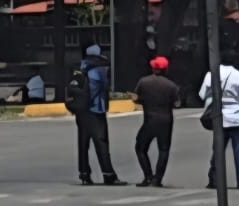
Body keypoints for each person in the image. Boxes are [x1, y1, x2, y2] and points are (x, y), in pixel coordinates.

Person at [200, 60, 239, 190]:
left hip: (218, 118)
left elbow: (203, 94)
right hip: (236, 118)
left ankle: (214, 179)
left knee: (217, 150)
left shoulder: (211, 75)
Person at [72, 43, 124, 186]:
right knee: (101, 142)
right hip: (95, 110)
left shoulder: (80, 67)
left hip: (81, 111)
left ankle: (84, 174)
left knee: (83, 143)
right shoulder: (99, 69)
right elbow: (102, 87)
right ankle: (108, 174)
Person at [134, 56, 180, 187]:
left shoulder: (144, 82)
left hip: (149, 120)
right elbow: (177, 103)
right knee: (164, 150)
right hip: (166, 121)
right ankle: (157, 179)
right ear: (166, 69)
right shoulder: (171, 86)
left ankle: (147, 176)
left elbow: (137, 98)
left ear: (153, 68)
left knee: (140, 148)